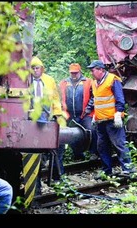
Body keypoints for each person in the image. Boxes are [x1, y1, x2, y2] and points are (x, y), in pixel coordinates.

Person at [83, 60, 134, 178]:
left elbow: (120, 99)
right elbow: (96, 100)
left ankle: (128, 169)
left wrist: (118, 113)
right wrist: (94, 114)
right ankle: (107, 171)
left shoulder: (112, 80)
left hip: (112, 120)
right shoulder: (95, 83)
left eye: (93, 70)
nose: (91, 72)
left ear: (101, 70)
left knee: (119, 144)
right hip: (100, 121)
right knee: (102, 147)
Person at [29, 56, 66, 188]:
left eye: (37, 68)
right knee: (35, 149)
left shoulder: (49, 80)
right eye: (32, 68)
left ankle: (57, 176)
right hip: (31, 118)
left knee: (57, 147)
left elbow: (55, 98)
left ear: (42, 69)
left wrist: (57, 114)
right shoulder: (26, 80)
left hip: (47, 117)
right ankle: (36, 183)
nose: (35, 71)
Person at [59, 63, 99, 161]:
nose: (74, 75)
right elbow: (59, 98)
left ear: (80, 72)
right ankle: (78, 154)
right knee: (71, 135)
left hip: (85, 114)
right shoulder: (63, 83)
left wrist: (88, 109)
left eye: (76, 73)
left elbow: (95, 96)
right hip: (70, 115)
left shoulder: (88, 82)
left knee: (91, 130)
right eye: (72, 73)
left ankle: (94, 152)